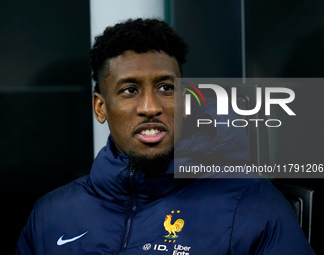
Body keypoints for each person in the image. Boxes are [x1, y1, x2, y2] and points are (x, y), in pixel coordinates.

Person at [16, 18, 315, 254]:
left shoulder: (252, 204)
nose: (150, 107)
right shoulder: (51, 216)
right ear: (100, 107)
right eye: (129, 90)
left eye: (166, 88)